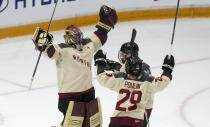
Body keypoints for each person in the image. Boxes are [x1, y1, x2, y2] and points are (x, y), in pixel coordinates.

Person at [32, 5, 118, 127]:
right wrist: (44, 45)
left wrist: (106, 22)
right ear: (68, 38)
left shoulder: (88, 45)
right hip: (69, 96)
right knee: (72, 124)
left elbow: (101, 35)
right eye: (75, 36)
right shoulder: (62, 49)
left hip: (88, 92)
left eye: (79, 35)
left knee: (89, 123)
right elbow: (51, 53)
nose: (78, 38)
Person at [94, 49, 175, 127]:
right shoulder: (147, 82)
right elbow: (163, 82)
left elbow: (101, 77)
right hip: (136, 123)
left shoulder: (120, 79)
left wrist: (99, 62)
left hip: (116, 122)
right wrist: (167, 69)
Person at [105, 40, 153, 127]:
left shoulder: (134, 68)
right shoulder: (143, 66)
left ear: (129, 54)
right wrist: (115, 66)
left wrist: (114, 67)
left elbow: (125, 78)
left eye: (123, 54)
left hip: (138, 111)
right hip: (143, 108)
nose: (122, 56)